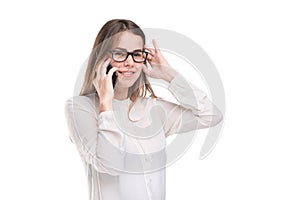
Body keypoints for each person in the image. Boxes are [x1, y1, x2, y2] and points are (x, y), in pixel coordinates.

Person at [64, 19, 223, 200]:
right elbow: (111, 164)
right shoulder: (79, 108)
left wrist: (169, 75)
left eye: (137, 54)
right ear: (101, 59)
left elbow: (210, 115)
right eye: (119, 53)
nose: (130, 62)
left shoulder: (153, 108)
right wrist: (106, 104)